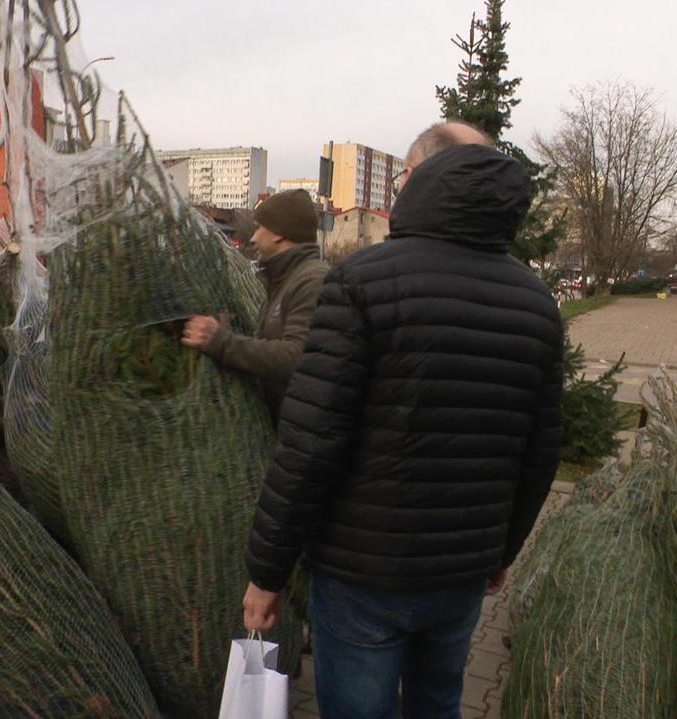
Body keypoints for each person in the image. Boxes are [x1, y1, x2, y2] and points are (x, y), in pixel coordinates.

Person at [239, 121, 565, 718]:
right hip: (461, 573)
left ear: (418, 180)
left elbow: (311, 443)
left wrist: (267, 573)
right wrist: (501, 552)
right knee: (437, 707)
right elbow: (539, 453)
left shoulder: (362, 283)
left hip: (365, 576)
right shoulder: (537, 304)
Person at [181, 189, 328, 422]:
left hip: (301, 432)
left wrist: (221, 342)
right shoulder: (282, 279)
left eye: (259, 227)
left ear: (279, 234)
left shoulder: (312, 281)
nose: (252, 238)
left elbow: (296, 356)